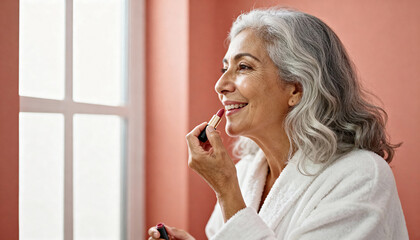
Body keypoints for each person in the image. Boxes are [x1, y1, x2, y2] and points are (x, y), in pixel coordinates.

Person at [148, 8, 408, 240]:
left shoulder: (361, 176)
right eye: (224, 68)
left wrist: (227, 190)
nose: (221, 85)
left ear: (296, 88)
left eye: (244, 67)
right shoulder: (248, 171)